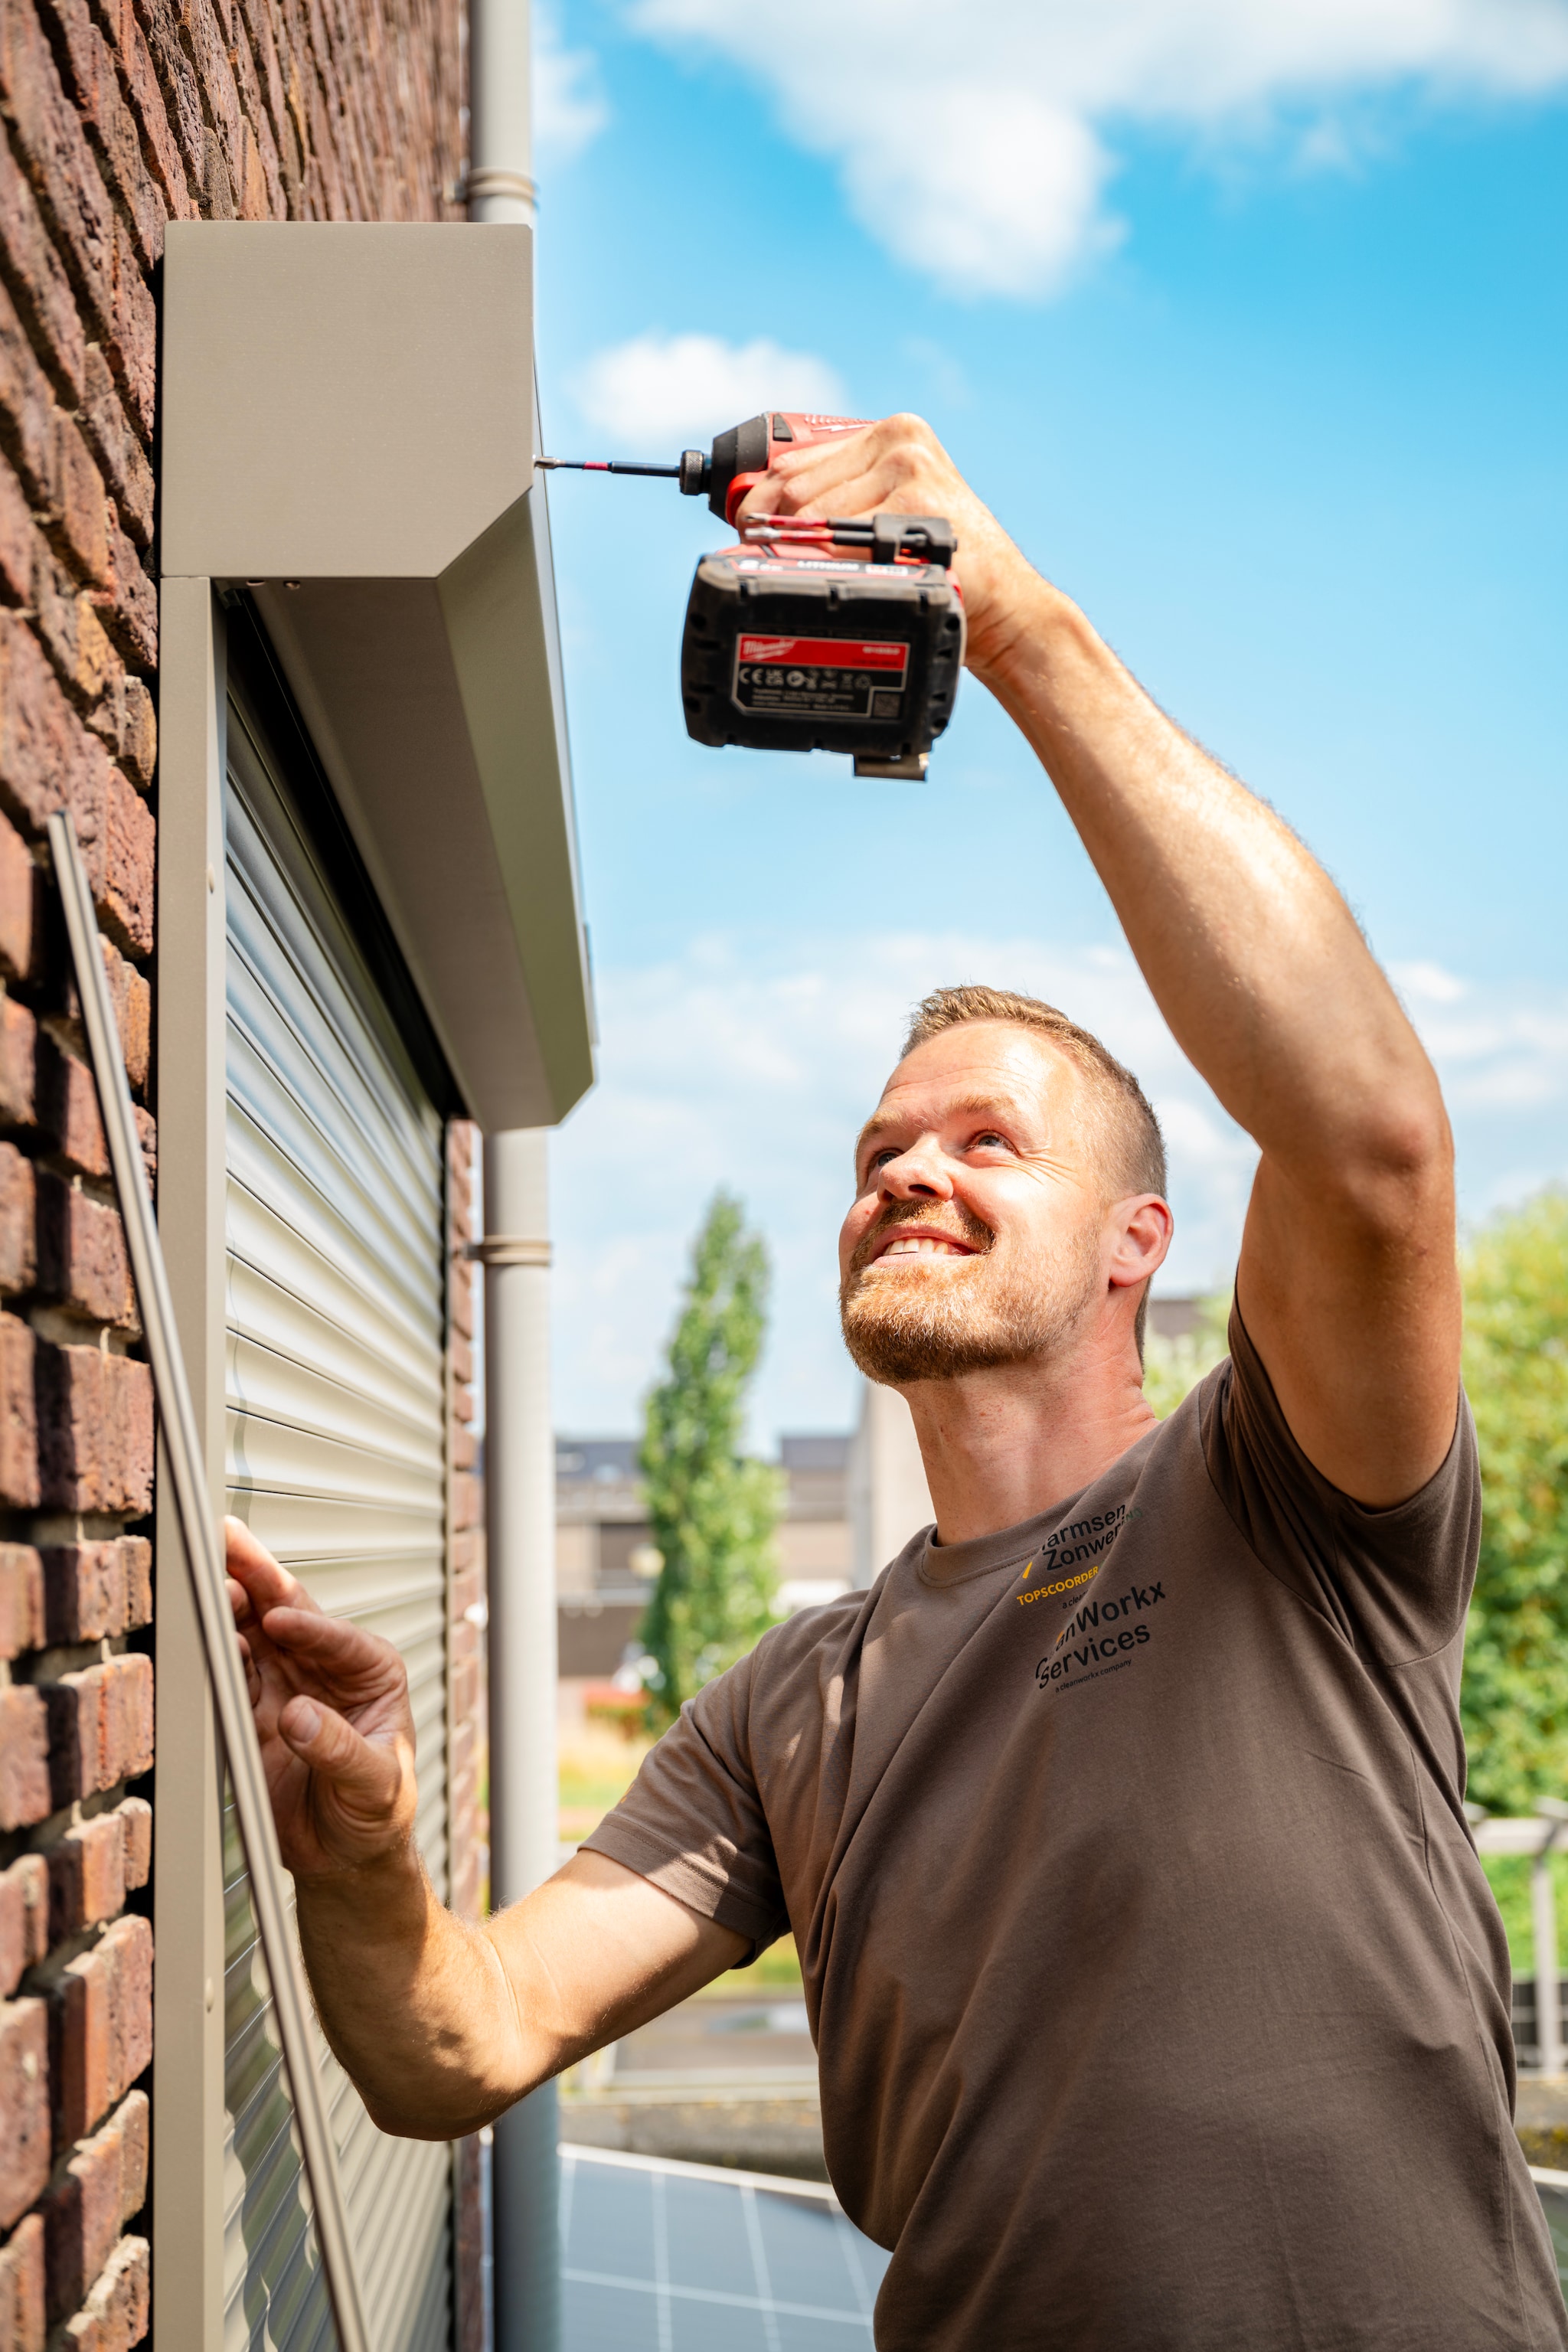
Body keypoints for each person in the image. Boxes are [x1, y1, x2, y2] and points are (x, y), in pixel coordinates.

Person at [227, 413, 1565, 2350]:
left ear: (1140, 1243)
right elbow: (462, 2040)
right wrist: (362, 1860)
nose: (907, 1175)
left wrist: (1005, 617)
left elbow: (1365, 1140)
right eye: (875, 1156)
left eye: (987, 1148)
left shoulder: (1286, 1497)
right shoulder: (791, 1708)